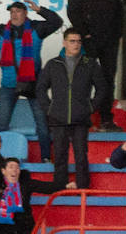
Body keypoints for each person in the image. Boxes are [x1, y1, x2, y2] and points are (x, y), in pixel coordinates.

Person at [0, 0, 62, 160]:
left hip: (34, 83)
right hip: (8, 85)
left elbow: (57, 22)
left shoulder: (36, 28)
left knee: (42, 124)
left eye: (18, 11)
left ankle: (46, 158)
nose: (14, 14)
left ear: (25, 13)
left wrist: (40, 10)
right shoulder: (2, 31)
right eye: (11, 12)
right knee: (1, 126)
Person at [37, 27, 109, 191]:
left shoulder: (90, 63)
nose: (76, 44)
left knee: (81, 155)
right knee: (60, 156)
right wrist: (49, 109)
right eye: (72, 41)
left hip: (81, 118)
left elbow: (102, 89)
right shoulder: (53, 64)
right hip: (58, 117)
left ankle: (83, 188)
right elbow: (40, 88)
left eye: (78, 41)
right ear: (64, 43)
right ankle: (59, 188)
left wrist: (90, 107)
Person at [67, 0, 124, 130]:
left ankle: (106, 118)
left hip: (110, 41)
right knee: (87, 78)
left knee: (108, 79)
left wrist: (117, 33)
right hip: (90, 41)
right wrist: (85, 34)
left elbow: (119, 12)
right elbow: (73, 11)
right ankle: (84, 117)